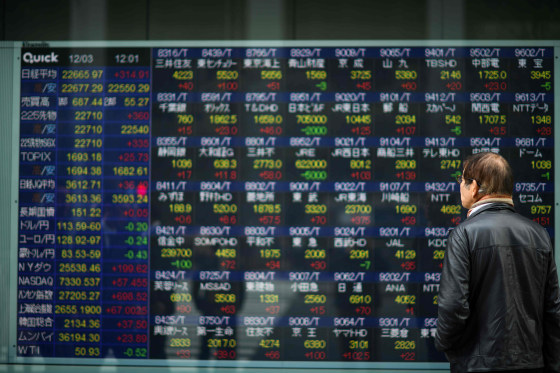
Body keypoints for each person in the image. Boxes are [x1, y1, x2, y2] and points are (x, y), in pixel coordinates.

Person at [435, 152, 560, 373]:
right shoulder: (538, 234)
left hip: (477, 363)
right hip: (532, 363)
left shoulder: (464, 234)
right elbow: (552, 310)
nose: (460, 187)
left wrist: (447, 347)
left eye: (461, 181)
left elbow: (453, 306)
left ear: (474, 187)